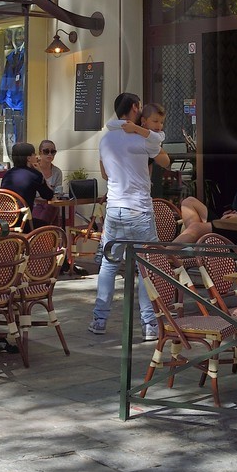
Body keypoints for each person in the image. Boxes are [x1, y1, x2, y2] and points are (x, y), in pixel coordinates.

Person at [90, 92, 170, 340]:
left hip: (114, 209)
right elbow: (163, 154)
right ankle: (149, 325)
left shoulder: (105, 140)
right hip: (139, 209)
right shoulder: (140, 140)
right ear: (135, 108)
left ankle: (99, 320)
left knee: (109, 265)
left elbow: (104, 173)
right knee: (145, 267)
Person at [0, 141, 53, 225]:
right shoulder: (34, 175)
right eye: (34, 154)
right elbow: (49, 195)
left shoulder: (8, 174)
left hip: (3, 221)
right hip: (22, 222)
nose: (36, 157)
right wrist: (40, 171)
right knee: (51, 229)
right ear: (29, 158)